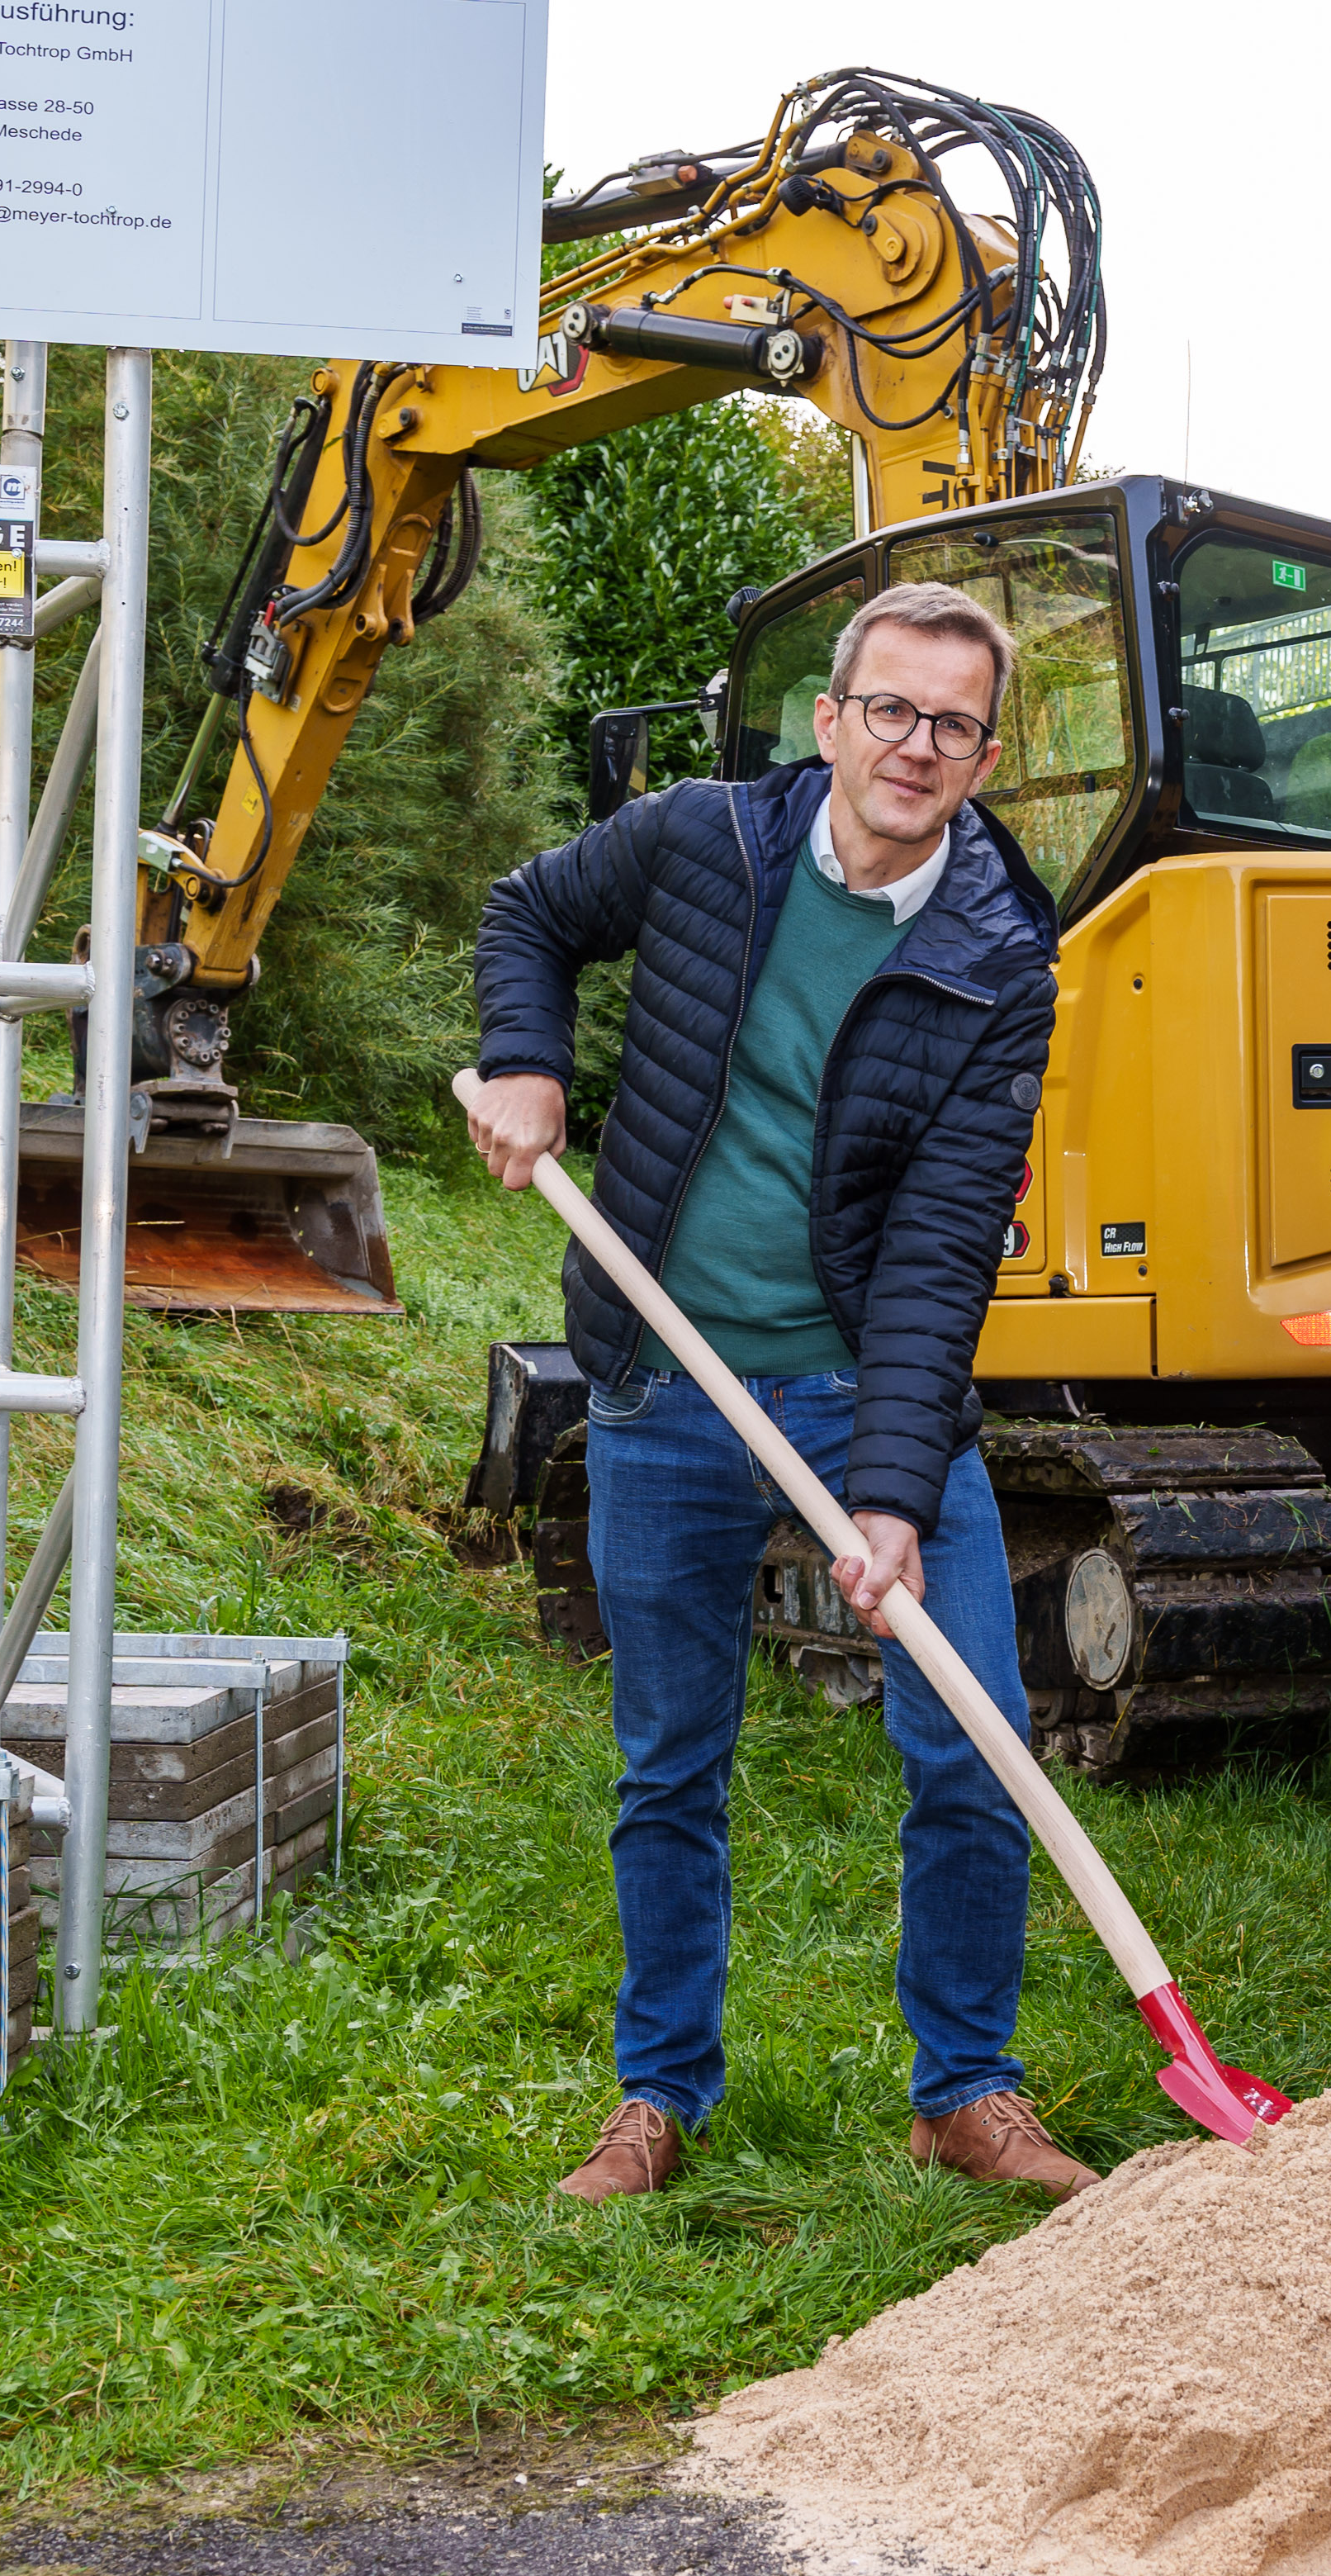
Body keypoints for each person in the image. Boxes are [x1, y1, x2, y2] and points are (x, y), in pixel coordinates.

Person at [467, 580, 1097, 2204]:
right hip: (661, 1383)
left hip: (856, 1380)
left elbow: (948, 1244)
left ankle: (965, 2088)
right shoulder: (702, 841)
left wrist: (889, 1490)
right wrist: (528, 1059)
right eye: (888, 708)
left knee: (971, 1737)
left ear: (982, 755)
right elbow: (529, 914)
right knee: (672, 1754)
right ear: (828, 721)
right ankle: (656, 2093)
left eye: (951, 724)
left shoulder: (998, 962)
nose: (914, 744)